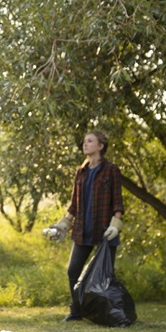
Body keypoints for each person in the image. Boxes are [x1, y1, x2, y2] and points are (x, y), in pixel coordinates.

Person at [46, 130, 124, 321]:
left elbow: (118, 201)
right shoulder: (81, 172)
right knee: (73, 271)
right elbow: (73, 205)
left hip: (105, 231)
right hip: (82, 231)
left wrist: (116, 224)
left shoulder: (111, 170)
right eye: (84, 141)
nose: (85, 144)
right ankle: (77, 312)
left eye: (90, 141)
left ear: (100, 146)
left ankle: (108, 313)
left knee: (105, 275)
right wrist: (62, 225)